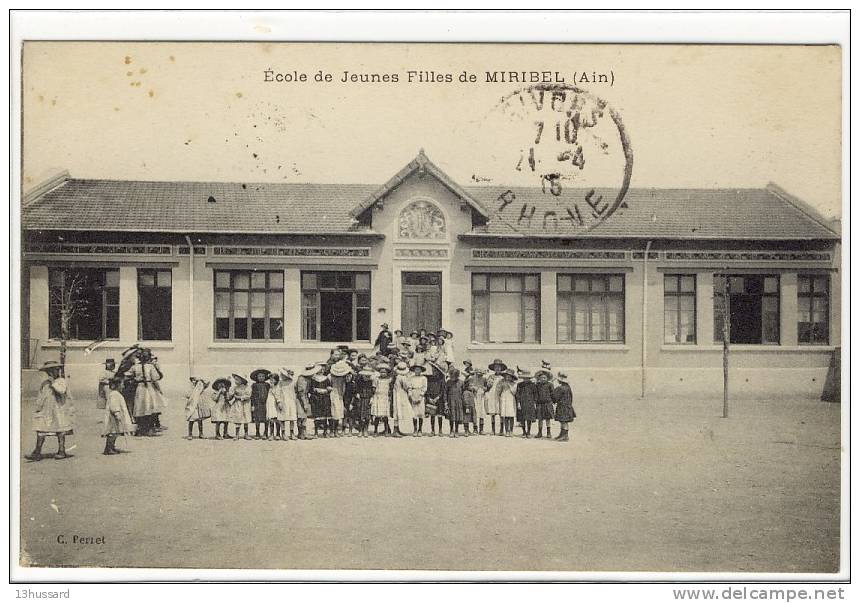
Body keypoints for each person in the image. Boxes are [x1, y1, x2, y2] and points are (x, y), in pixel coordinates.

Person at [26, 360, 74, 461]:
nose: (51, 373)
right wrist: (38, 408)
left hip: (58, 409)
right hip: (46, 410)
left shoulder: (61, 381)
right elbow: (41, 396)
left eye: (54, 370)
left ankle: (61, 450)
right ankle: (37, 452)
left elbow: (61, 391)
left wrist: (53, 383)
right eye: (49, 371)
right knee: (41, 429)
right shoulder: (45, 383)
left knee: (60, 430)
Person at [129, 349, 166, 437]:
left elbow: (128, 374)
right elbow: (156, 377)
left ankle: (140, 429)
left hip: (140, 387)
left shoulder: (135, 367)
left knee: (140, 407)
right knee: (149, 407)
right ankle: (149, 429)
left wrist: (135, 379)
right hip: (148, 387)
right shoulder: (150, 367)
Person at [102, 377, 135, 454]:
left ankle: (112, 447)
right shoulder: (114, 394)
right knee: (112, 432)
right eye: (122, 384)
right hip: (113, 417)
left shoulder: (117, 394)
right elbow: (114, 406)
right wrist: (117, 413)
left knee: (116, 432)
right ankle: (108, 448)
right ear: (116, 385)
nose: (123, 386)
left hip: (115, 417)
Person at [274, 368, 299, 441]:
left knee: (292, 418)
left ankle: (292, 433)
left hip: (291, 402)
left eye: (283, 375)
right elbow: (277, 393)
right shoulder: (280, 383)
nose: (281, 376)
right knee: (282, 419)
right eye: (281, 375)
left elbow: (296, 391)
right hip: (283, 402)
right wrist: (279, 402)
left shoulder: (293, 382)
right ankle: (283, 433)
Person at [551, 371, 576, 442]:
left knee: (563, 421)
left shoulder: (560, 388)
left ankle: (564, 436)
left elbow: (554, 397)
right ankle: (563, 435)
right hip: (568, 406)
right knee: (564, 421)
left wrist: (552, 385)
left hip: (562, 407)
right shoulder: (568, 387)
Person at [329, 360, 352, 437]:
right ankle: (332, 431)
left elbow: (348, 381)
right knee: (333, 413)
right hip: (333, 395)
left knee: (338, 414)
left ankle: (335, 431)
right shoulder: (330, 376)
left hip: (340, 396)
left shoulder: (344, 377)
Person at [295, 364, 318, 440]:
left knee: (304, 416)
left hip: (305, 397)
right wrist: (304, 403)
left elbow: (310, 390)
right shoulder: (301, 379)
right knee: (301, 416)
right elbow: (301, 392)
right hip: (299, 399)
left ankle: (304, 432)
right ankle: (301, 433)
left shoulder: (309, 379)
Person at [309, 365, 333, 437]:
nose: (322, 371)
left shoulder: (326, 378)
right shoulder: (313, 378)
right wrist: (315, 390)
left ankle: (325, 432)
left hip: (325, 398)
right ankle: (316, 432)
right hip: (316, 398)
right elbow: (311, 389)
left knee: (325, 416)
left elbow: (329, 387)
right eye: (320, 369)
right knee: (317, 416)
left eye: (323, 369)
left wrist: (327, 389)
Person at [352, 365, 376, 438]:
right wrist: (357, 394)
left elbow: (373, 391)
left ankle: (366, 430)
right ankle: (360, 430)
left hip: (368, 399)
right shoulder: (359, 381)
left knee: (367, 416)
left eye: (368, 376)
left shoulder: (371, 382)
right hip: (360, 399)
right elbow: (355, 390)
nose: (366, 377)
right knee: (360, 415)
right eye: (365, 376)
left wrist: (372, 398)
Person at [485, 359, 507, 436]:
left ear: (501, 368)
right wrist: (489, 383)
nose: (497, 368)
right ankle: (493, 430)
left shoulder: (503, 377)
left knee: (501, 412)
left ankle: (501, 430)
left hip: (500, 396)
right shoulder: (491, 376)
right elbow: (487, 386)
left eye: (499, 367)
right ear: (494, 368)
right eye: (496, 367)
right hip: (492, 395)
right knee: (492, 412)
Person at [228, 373, 252, 441]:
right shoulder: (234, 388)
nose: (236, 381)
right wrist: (231, 394)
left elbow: (248, 396)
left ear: (242, 380)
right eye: (235, 380)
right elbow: (230, 397)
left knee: (246, 419)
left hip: (246, 405)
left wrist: (238, 397)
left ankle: (246, 434)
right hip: (238, 405)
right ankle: (237, 435)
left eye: (237, 380)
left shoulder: (247, 387)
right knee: (238, 419)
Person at [391, 361, 413, 437]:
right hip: (400, 395)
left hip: (396, 394)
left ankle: (397, 429)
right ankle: (395, 430)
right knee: (398, 411)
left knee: (397, 411)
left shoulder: (396, 377)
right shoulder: (402, 377)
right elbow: (406, 386)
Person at [465, 364, 487, 435]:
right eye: (478, 373)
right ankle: (475, 428)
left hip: (481, 397)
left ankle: (481, 429)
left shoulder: (484, 379)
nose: (479, 375)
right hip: (474, 397)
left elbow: (486, 387)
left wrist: (484, 389)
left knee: (481, 413)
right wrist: (473, 388)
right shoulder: (471, 378)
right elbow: (468, 387)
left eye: (481, 374)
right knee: (474, 413)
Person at [515, 368, 538, 438]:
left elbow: (535, 394)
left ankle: (528, 432)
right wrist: (518, 403)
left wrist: (534, 403)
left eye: (527, 378)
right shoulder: (519, 385)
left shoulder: (533, 385)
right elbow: (517, 394)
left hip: (530, 403)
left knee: (529, 418)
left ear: (529, 378)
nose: (526, 379)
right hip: (522, 403)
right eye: (524, 378)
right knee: (522, 418)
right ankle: (524, 432)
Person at [249, 369, 272, 439]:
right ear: (257, 377)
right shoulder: (254, 385)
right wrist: (252, 405)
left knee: (266, 419)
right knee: (257, 419)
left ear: (265, 377)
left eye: (263, 376)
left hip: (265, 404)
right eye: (259, 376)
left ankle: (265, 432)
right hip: (257, 404)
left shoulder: (267, 385)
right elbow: (252, 396)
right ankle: (257, 432)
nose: (261, 377)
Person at [534, 366, 555, 439]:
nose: (543, 379)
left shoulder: (550, 385)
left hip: (547, 403)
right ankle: (539, 432)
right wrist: (535, 401)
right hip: (539, 404)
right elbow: (536, 394)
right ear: (539, 378)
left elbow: (553, 394)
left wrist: (553, 401)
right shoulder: (537, 385)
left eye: (544, 378)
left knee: (547, 419)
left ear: (547, 378)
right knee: (540, 419)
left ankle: (548, 433)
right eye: (541, 378)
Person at [371, 363, 393, 436]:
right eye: (381, 372)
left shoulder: (389, 380)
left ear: (387, 373)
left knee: (385, 415)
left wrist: (389, 397)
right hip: (378, 398)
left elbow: (390, 390)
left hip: (385, 398)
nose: (383, 373)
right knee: (377, 415)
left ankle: (386, 430)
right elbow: (374, 388)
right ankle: (375, 430)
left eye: (384, 372)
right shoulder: (376, 379)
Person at [407, 364, 428, 436]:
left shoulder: (424, 378)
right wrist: (411, 396)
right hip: (413, 393)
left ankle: (420, 430)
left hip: (420, 394)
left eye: (419, 369)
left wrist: (421, 396)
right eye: (416, 369)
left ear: (421, 371)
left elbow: (425, 388)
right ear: (414, 370)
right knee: (414, 413)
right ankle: (415, 429)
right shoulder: (411, 378)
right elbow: (409, 387)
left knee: (421, 413)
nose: (417, 371)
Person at [445, 366, 466, 437]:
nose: (453, 377)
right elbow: (445, 393)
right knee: (451, 416)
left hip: (459, 401)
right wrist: (445, 402)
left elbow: (463, 393)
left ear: (457, 376)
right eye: (452, 376)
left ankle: (456, 431)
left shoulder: (461, 382)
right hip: (450, 401)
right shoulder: (448, 382)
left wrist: (464, 403)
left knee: (457, 417)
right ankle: (451, 430)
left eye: (454, 376)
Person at [498, 369, 518, 437]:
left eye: (509, 376)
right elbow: (499, 391)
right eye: (506, 376)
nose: (508, 378)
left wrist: (510, 385)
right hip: (504, 399)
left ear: (512, 377)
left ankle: (511, 431)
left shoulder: (514, 384)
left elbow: (514, 392)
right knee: (506, 416)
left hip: (511, 400)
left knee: (511, 416)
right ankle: (506, 431)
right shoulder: (503, 383)